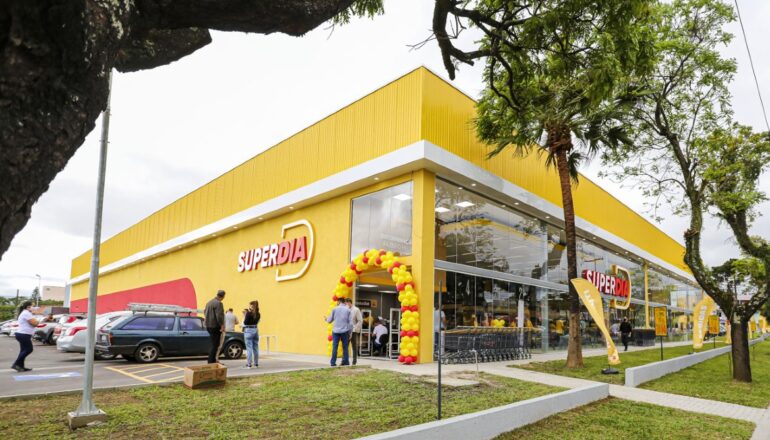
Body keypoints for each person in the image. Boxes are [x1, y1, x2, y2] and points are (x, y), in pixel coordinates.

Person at [325, 297, 353, 366]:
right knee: (345, 347)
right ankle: (346, 362)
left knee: (335, 347)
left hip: (335, 331)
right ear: (344, 302)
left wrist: (326, 319)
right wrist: (350, 332)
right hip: (345, 331)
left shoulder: (334, 309)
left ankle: (333, 362)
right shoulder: (348, 310)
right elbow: (350, 323)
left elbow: (329, 320)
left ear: (339, 302)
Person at [12, 301, 38, 372]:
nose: (34, 308)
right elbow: (35, 323)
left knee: (23, 351)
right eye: (33, 306)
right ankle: (16, 364)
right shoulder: (26, 313)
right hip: (24, 334)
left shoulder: (26, 313)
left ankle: (21, 366)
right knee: (29, 349)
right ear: (28, 307)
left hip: (23, 334)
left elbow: (33, 323)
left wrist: (35, 320)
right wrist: (37, 321)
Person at [204, 290, 226, 363]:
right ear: (223, 296)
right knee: (215, 345)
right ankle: (211, 361)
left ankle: (212, 360)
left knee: (214, 344)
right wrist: (222, 325)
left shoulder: (209, 302)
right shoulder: (219, 303)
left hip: (208, 326)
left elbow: (205, 312)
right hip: (215, 326)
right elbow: (219, 316)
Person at [242, 300, 261, 368]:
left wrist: (245, 315)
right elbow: (257, 322)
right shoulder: (258, 314)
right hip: (255, 329)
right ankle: (256, 364)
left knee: (249, 348)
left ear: (251, 306)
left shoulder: (248, 313)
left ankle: (249, 364)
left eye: (250, 305)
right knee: (255, 348)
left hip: (248, 330)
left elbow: (245, 322)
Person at [345, 298, 363, 365]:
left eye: (346, 303)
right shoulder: (346, 309)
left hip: (353, 331)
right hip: (346, 331)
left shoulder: (356, 310)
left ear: (349, 302)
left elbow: (360, 320)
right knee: (345, 346)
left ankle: (354, 361)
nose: (346, 305)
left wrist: (354, 329)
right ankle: (345, 361)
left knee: (354, 346)